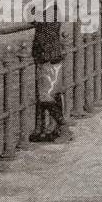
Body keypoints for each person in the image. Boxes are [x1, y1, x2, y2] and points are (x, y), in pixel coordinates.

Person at [29, 13, 71, 143]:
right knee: (54, 93)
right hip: (54, 54)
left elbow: (40, 30)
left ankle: (63, 127)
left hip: (46, 57)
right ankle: (56, 129)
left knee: (44, 96)